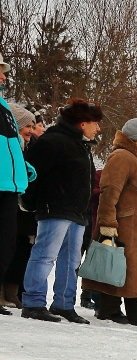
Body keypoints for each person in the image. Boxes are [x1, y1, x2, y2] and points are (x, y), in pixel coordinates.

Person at [19, 98, 103, 323]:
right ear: (83, 123)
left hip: (77, 212)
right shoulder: (53, 141)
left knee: (71, 260)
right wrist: (30, 201)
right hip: (54, 208)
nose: (98, 128)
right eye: (95, 123)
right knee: (45, 255)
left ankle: (64, 304)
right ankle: (34, 302)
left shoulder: (81, 146)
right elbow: (31, 173)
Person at [89, 118, 137, 328]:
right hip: (124, 224)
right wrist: (107, 222)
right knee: (120, 265)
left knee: (126, 267)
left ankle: (112, 309)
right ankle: (128, 311)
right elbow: (109, 192)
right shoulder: (122, 157)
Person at [0, 55, 33, 317]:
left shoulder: (4, 108)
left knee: (7, 243)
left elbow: (11, 148)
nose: (4, 77)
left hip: (9, 187)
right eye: (0, 71)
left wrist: (23, 167)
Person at [1, 103, 38, 309]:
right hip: (8, 194)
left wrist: (25, 170)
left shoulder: (20, 146)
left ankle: (10, 292)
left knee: (11, 247)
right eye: (28, 126)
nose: (31, 131)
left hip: (15, 195)